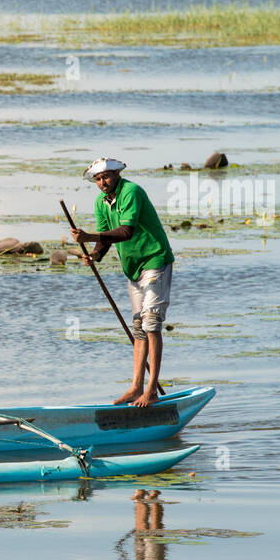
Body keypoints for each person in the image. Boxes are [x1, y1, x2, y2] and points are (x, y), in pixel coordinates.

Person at [69, 158, 174, 407]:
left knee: (151, 323)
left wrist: (89, 235)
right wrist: (94, 254)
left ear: (117, 174)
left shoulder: (131, 192)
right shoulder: (100, 202)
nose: (102, 183)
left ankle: (151, 390)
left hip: (155, 259)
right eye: (97, 179)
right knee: (138, 327)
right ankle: (136, 387)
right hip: (132, 268)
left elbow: (126, 231)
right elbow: (106, 239)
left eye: (106, 176)